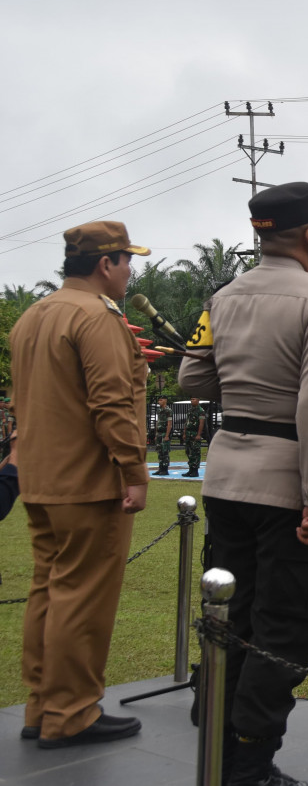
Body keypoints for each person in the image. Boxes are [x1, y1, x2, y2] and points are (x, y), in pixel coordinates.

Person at [178, 182, 308, 785]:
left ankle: (217, 742)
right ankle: (248, 765)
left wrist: (249, 391)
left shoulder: (222, 296)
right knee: (284, 628)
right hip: (285, 485)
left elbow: (192, 375)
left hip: (227, 476)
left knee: (231, 619)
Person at [11, 220, 150, 748]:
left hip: (41, 478)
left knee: (48, 590)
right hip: (89, 482)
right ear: (105, 264)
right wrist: (133, 472)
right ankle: (71, 714)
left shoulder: (33, 315)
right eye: (126, 261)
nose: (129, 271)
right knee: (82, 599)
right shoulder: (95, 317)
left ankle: (41, 706)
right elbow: (111, 403)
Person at [184, 396, 206, 477]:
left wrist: (199, 434)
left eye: (194, 399)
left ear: (198, 400)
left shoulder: (201, 411)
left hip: (195, 432)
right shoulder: (190, 410)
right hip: (188, 433)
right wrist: (184, 433)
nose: (192, 401)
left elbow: (201, 423)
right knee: (189, 451)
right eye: (191, 399)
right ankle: (190, 469)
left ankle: (195, 470)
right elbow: (187, 422)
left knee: (195, 452)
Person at [153, 395, 173, 475]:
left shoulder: (168, 410)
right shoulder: (159, 410)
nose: (159, 402)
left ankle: (165, 469)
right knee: (160, 451)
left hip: (165, 433)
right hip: (159, 433)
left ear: (165, 400)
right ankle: (160, 468)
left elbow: (169, 424)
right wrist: (156, 433)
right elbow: (158, 422)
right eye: (159, 400)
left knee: (165, 451)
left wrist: (167, 435)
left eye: (161, 400)